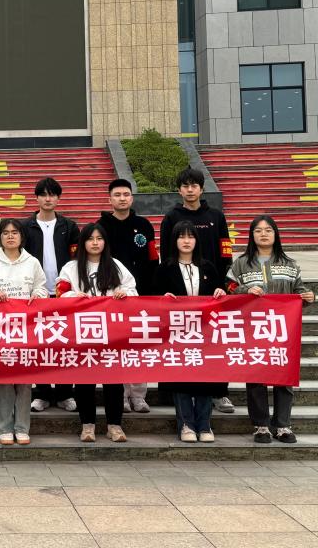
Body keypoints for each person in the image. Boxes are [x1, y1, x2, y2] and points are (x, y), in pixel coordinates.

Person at [227, 215, 315, 444]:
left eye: (268, 230)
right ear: (252, 235)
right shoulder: (241, 263)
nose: (263, 234)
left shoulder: (289, 264)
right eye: (258, 230)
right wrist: (246, 290)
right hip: (253, 328)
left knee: (284, 376)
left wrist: (308, 297)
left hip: (282, 330)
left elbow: (299, 290)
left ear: (276, 234)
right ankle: (261, 426)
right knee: (256, 377)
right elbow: (229, 288)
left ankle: (283, 425)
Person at [159, 167, 235, 414]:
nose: (190, 190)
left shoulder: (216, 216)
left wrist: (223, 285)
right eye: (185, 186)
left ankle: (219, 393)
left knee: (214, 344)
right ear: (179, 190)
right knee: (180, 344)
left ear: (202, 189)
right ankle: (176, 391)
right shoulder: (171, 217)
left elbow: (225, 251)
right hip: (180, 294)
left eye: (194, 185)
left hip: (211, 291)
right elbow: (165, 255)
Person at [57, 223, 137, 443]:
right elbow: (60, 294)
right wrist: (74, 296)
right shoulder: (71, 268)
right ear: (82, 242)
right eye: (90, 239)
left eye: (99, 238)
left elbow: (133, 290)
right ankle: (87, 425)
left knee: (114, 380)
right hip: (83, 331)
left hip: (112, 332)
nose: (95, 243)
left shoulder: (116, 266)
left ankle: (114, 426)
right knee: (84, 380)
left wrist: (123, 293)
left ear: (105, 242)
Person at [0, 218, 48, 445]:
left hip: (26, 328)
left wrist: (37, 295)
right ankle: (5, 427)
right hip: (0, 329)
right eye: (5, 233)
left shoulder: (32, 262)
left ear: (21, 236)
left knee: (24, 380)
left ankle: (22, 427)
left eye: (14, 232)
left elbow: (42, 288)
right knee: (4, 379)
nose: (10, 236)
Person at [155, 221, 226, 443]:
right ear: (174, 240)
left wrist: (220, 291)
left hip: (205, 333)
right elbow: (152, 297)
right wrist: (162, 298)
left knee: (205, 377)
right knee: (181, 378)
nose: (186, 241)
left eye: (191, 236)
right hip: (176, 333)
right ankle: (185, 424)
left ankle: (204, 424)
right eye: (181, 236)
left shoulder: (208, 267)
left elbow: (220, 293)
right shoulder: (164, 268)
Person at [98, 178, 159, 415]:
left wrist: (150, 293)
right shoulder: (102, 227)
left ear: (132, 198)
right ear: (109, 199)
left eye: (126, 194)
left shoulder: (143, 225)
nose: (122, 198)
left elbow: (153, 259)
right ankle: (120, 395)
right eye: (117, 195)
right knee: (116, 347)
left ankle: (139, 396)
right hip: (111, 297)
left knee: (138, 347)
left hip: (139, 296)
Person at [21, 177, 79, 414]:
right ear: (36, 198)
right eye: (43, 194)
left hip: (64, 293)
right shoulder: (26, 227)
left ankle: (65, 393)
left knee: (65, 343)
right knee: (39, 344)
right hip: (36, 294)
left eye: (52, 194)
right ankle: (42, 393)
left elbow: (76, 259)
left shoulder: (69, 226)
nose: (48, 199)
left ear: (58, 198)